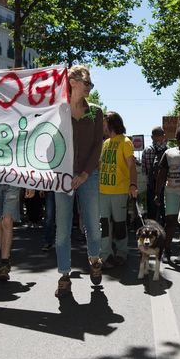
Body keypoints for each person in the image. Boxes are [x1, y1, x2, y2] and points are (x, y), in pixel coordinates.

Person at [54, 65, 103, 297]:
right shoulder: (56, 110)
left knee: (92, 224)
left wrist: (84, 174)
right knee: (62, 229)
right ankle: (64, 275)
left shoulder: (95, 112)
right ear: (72, 82)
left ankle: (94, 259)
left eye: (91, 85)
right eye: (87, 84)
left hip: (88, 175)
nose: (89, 88)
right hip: (61, 177)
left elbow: (97, 146)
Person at [99, 111, 138, 268]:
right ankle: (105, 255)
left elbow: (131, 166)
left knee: (120, 224)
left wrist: (133, 184)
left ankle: (122, 252)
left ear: (111, 123)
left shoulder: (125, 141)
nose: (102, 126)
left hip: (119, 191)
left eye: (103, 123)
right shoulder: (105, 143)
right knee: (104, 225)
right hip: (102, 191)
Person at [154, 127, 180, 263]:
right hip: (171, 193)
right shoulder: (169, 153)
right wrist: (157, 193)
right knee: (170, 221)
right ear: (175, 137)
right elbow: (161, 174)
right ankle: (166, 250)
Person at [0, 183, 32, 281]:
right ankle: (5, 259)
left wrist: (29, 184)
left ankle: (4, 263)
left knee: (7, 221)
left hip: (12, 183)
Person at [141, 126, 167, 224]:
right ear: (164, 136)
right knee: (165, 209)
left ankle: (152, 230)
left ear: (152, 137)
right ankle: (166, 230)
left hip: (151, 184)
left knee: (152, 210)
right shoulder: (168, 150)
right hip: (165, 184)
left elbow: (144, 170)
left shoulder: (147, 150)